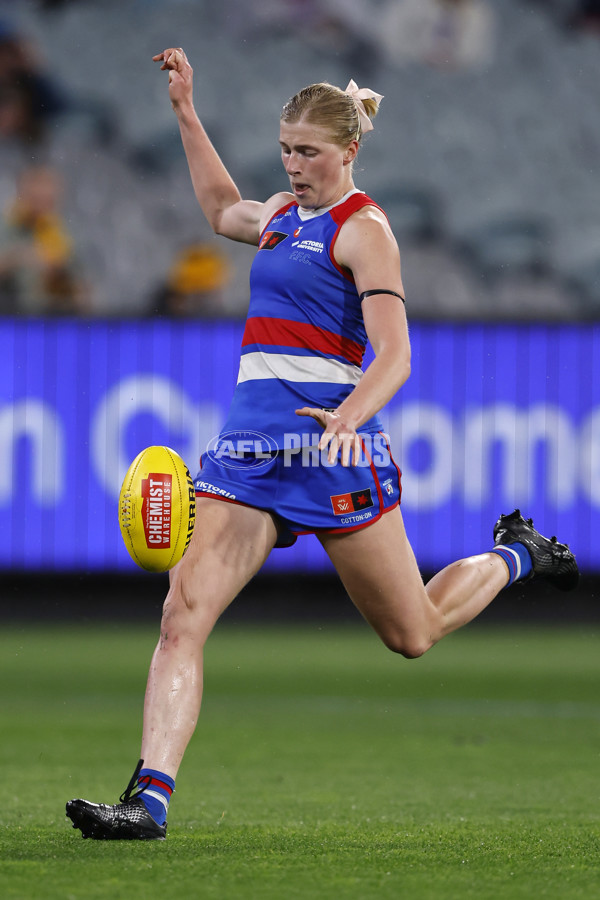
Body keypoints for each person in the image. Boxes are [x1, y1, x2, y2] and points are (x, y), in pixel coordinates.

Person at [66, 47, 579, 841]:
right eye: (286, 150)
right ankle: (149, 801)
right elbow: (217, 209)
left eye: (308, 152)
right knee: (183, 614)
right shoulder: (278, 216)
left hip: (330, 457)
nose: (294, 165)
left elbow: (397, 354)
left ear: (350, 151)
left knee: (413, 633)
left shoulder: (364, 229)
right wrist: (185, 111)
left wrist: (346, 420)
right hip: (249, 457)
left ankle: (517, 553)